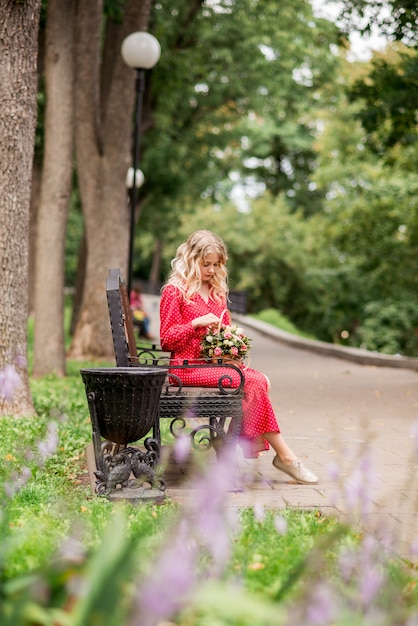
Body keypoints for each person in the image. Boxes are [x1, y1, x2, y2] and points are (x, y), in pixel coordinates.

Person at [159, 229, 318, 484]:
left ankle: (248, 449)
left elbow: (225, 330)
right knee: (253, 383)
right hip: (186, 368)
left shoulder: (216, 292)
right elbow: (167, 339)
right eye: (205, 264)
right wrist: (195, 324)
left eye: (215, 264)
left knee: (259, 381)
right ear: (191, 259)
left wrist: (232, 349)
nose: (211, 270)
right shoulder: (174, 291)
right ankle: (285, 457)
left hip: (215, 367)